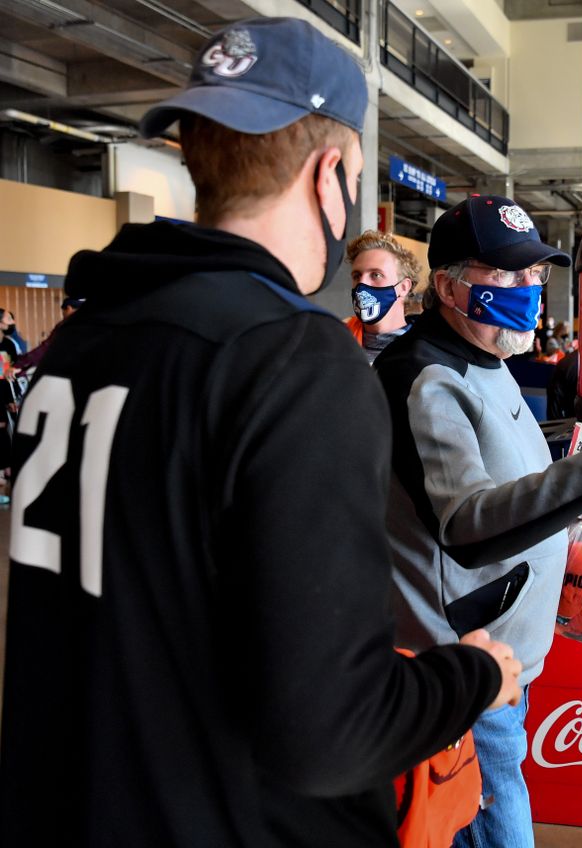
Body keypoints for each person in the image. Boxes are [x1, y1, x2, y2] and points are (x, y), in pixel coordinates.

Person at [0, 18, 522, 848]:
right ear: (333, 174)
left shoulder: (85, 340)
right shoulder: (291, 360)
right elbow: (328, 731)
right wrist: (471, 677)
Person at [374, 193, 582, 848]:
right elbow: (468, 524)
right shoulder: (424, 379)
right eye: (509, 274)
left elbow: (511, 496)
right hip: (465, 676)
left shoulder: (488, 362)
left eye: (535, 273)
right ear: (448, 285)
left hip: (504, 669)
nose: (530, 288)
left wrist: (581, 505)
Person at [346, 229, 421, 364]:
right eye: (357, 276)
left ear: (404, 287)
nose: (362, 284)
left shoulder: (423, 351)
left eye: (376, 275)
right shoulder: (337, 340)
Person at [14, 296, 85, 373]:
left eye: (63, 311)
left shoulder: (67, 325)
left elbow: (46, 348)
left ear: (69, 308)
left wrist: (19, 364)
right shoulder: (92, 324)